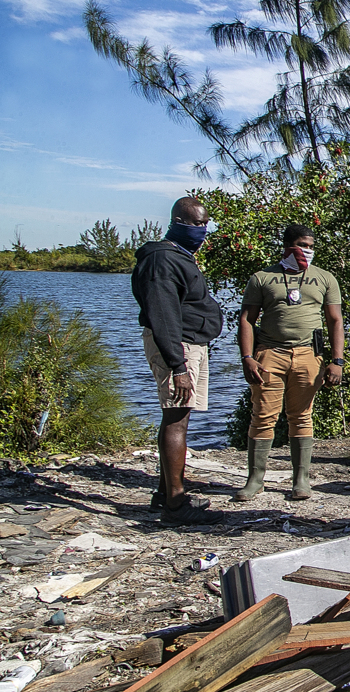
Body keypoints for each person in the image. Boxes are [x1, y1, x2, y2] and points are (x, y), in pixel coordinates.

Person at [131, 197, 225, 526]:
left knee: (177, 417)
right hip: (178, 348)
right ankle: (175, 505)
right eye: (196, 224)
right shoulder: (161, 260)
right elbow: (163, 315)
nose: (202, 230)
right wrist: (178, 366)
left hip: (189, 344)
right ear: (176, 222)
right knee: (176, 419)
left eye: (204, 224)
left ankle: (166, 492)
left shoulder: (178, 257)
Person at [234, 225, 345, 502]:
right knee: (262, 416)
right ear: (286, 246)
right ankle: (255, 480)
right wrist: (247, 357)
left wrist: (337, 361)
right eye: (300, 245)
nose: (306, 250)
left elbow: (335, 321)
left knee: (302, 416)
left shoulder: (324, 278)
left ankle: (301, 480)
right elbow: (247, 320)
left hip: (309, 355)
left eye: (310, 246)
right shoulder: (262, 278)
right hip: (270, 354)